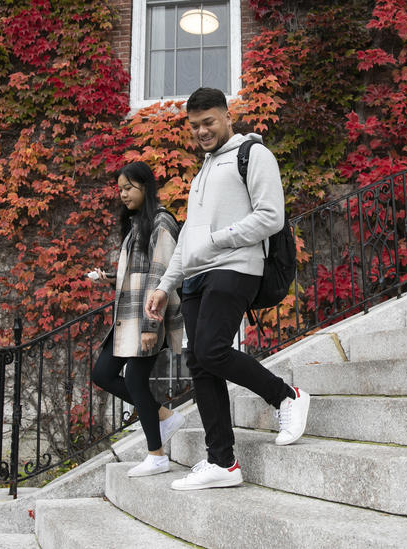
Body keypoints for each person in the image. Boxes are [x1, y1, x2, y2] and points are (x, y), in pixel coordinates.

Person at [145, 87, 310, 491]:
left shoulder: (253, 154)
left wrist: (219, 240)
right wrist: (166, 285)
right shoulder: (201, 172)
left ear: (227, 117)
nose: (202, 131)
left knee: (213, 350)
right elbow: (188, 239)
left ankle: (286, 396)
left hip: (236, 266)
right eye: (195, 125)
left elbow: (271, 216)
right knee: (200, 363)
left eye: (209, 122)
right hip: (198, 277)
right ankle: (222, 461)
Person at [90, 161, 185, 477]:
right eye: (120, 189)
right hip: (128, 320)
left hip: (145, 320)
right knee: (103, 373)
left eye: (129, 187)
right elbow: (138, 273)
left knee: (133, 380)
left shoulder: (161, 223)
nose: (123, 194)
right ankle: (164, 416)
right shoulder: (137, 226)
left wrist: (151, 326)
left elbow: (161, 276)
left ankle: (156, 455)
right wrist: (108, 276)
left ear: (146, 186)